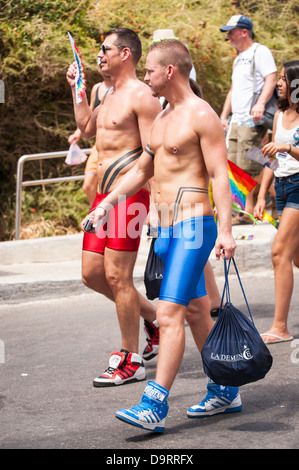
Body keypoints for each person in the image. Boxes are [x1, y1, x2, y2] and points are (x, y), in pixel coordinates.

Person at [87, 39, 241, 433]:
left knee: (170, 315)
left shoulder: (201, 115)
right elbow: (141, 170)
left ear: (169, 71)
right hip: (168, 230)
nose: (147, 78)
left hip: (194, 226)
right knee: (194, 311)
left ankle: (154, 405)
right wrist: (107, 204)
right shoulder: (161, 119)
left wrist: (225, 230)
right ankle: (225, 388)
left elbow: (221, 177)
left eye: (151, 71)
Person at [66, 28, 162, 387]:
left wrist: (154, 205)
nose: (98, 54)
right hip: (103, 198)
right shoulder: (105, 93)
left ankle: (129, 359)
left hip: (130, 197)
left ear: (125, 54)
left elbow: (153, 156)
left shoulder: (143, 96)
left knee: (119, 277)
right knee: (92, 274)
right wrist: (77, 90)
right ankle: (156, 319)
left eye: (104, 49)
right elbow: (86, 128)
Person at [254, 60, 299, 345]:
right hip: (281, 189)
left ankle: (280, 327)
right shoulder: (279, 115)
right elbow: (270, 158)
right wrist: (260, 196)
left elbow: (284, 152)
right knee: (295, 257)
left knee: (279, 253)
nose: (278, 83)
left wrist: (288, 148)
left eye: (283, 79)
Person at [219, 15, 277, 222]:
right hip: (237, 120)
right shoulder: (238, 58)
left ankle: (248, 212)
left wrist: (260, 104)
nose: (229, 37)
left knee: (246, 165)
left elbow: (271, 78)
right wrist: (225, 115)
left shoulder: (259, 52)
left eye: (232, 32)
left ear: (244, 31)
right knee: (235, 164)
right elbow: (233, 90)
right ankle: (277, 170)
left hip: (252, 120)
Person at [68, 62, 112, 205]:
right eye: (99, 63)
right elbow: (90, 114)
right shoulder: (96, 88)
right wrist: (77, 133)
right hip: (97, 145)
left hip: (114, 146)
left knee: (106, 187)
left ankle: (103, 215)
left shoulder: (120, 88)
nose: (101, 65)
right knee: (88, 185)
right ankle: (97, 213)